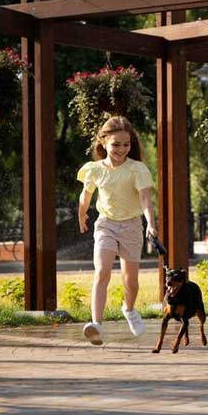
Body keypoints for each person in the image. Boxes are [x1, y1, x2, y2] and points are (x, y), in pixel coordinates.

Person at [77, 116, 157, 345]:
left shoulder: (137, 169)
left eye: (126, 144)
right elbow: (86, 193)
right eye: (115, 144)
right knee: (102, 272)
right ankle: (96, 326)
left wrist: (150, 223)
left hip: (132, 226)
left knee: (130, 282)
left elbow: (145, 199)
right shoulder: (94, 169)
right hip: (106, 225)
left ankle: (129, 309)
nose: (121, 149)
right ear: (103, 143)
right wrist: (82, 212)